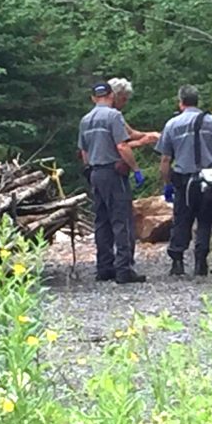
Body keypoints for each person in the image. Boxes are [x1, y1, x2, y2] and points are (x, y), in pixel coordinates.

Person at [156, 85, 212, 277]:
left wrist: (167, 183)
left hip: (184, 180)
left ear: (180, 102)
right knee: (206, 219)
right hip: (209, 180)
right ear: (197, 101)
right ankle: (201, 262)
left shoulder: (172, 124)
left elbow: (165, 159)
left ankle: (177, 261)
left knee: (182, 218)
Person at [78, 82, 146, 284]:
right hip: (114, 173)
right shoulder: (113, 116)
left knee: (102, 222)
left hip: (95, 173)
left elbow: (84, 152)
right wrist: (135, 169)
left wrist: (90, 169)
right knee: (122, 220)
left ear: (93, 98)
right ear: (111, 95)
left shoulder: (85, 120)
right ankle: (124, 269)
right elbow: (122, 146)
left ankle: (104, 267)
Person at [108, 77, 160, 150]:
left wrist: (151, 134)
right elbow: (119, 147)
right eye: (123, 99)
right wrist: (141, 142)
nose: (125, 103)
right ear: (114, 96)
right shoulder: (113, 115)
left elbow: (130, 133)